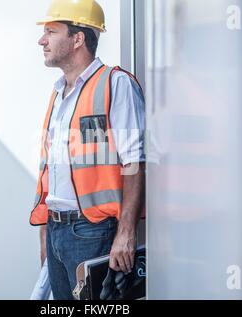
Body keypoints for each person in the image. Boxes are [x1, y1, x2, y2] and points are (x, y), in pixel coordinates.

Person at [31, 0, 146, 300]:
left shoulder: (115, 84)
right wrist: (46, 229)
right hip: (57, 230)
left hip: (94, 232)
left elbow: (134, 163)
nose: (41, 40)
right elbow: (52, 168)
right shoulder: (58, 93)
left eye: (51, 32)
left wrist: (126, 233)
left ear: (78, 38)